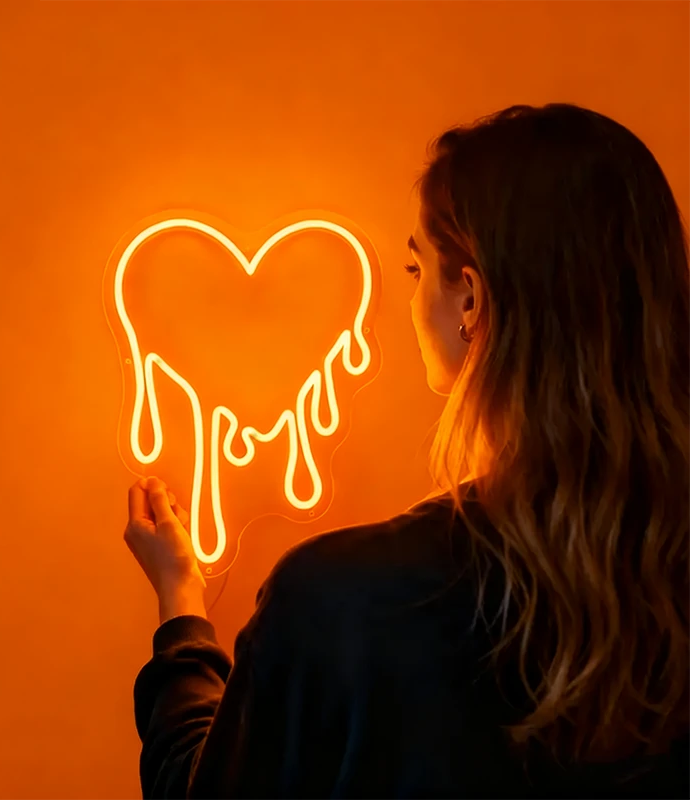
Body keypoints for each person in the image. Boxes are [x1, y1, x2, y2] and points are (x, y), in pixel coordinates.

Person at [123, 103, 690, 798]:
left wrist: (181, 609)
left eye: (418, 269)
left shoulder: (345, 603)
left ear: (471, 300)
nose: (412, 295)